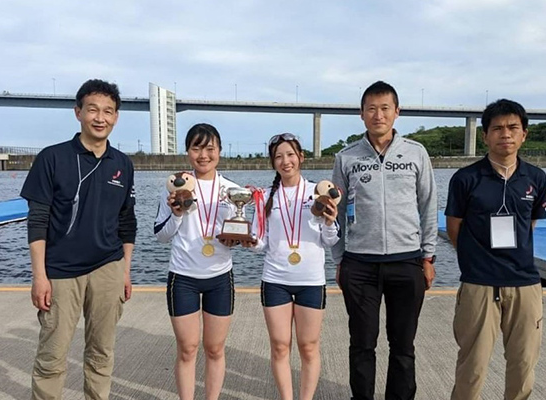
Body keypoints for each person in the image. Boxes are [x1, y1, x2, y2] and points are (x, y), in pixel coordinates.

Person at [21, 79, 137, 399]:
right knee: (52, 357)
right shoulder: (52, 158)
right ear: (78, 113)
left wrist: (125, 271)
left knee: (101, 354)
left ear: (116, 117)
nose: (101, 118)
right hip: (59, 272)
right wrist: (39, 276)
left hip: (108, 268)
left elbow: (127, 222)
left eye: (108, 111)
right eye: (93, 110)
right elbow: (38, 221)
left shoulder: (122, 164)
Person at [331, 80, 437, 400]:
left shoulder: (416, 153)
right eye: (371, 109)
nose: (378, 115)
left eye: (385, 108)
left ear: (397, 112)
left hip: (406, 261)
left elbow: (428, 204)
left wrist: (428, 256)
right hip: (359, 263)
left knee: (403, 345)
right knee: (362, 343)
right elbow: (334, 213)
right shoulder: (346, 157)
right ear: (361, 114)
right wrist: (339, 260)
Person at [446, 99, 546, 400]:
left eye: (513, 127)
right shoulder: (466, 179)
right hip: (479, 282)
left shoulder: (536, 179)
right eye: (498, 128)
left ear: (524, 134)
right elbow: (455, 229)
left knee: (524, 363)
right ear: (485, 136)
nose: (506, 134)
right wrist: (478, 259)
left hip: (524, 282)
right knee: (472, 365)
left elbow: (529, 226)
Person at [246, 133, 339, 400]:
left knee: (308, 346)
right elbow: (260, 241)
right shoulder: (264, 197)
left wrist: (331, 222)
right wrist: (246, 241)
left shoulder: (317, 191)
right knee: (279, 346)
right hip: (275, 280)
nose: (285, 161)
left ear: (301, 157)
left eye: (290, 154)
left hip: (311, 280)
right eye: (278, 156)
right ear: (273, 163)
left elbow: (330, 239)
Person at [154, 123, 240, 400]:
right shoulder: (175, 185)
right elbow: (161, 236)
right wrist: (177, 213)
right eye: (197, 148)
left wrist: (235, 239)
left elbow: (241, 234)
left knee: (215, 349)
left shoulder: (232, 190)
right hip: (183, 277)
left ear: (220, 151)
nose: (204, 155)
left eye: (210, 148)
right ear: (188, 151)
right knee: (188, 349)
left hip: (220, 277)